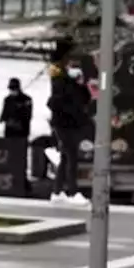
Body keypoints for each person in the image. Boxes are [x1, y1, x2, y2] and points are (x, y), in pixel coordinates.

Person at [47, 44, 91, 205]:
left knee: (66, 157)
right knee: (71, 156)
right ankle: (73, 192)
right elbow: (57, 101)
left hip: (71, 123)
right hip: (63, 124)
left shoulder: (71, 81)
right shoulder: (59, 80)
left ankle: (57, 191)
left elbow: (85, 98)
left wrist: (80, 83)